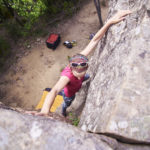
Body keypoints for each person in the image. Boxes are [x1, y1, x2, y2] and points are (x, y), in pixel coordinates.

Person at [26, 10, 131, 117]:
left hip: (76, 84)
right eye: (78, 74)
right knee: (68, 101)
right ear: (71, 69)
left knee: (85, 77)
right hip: (70, 93)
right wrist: (44, 110)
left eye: (82, 72)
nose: (80, 74)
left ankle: (83, 80)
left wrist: (109, 22)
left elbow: (95, 40)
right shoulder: (66, 77)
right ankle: (63, 109)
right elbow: (55, 90)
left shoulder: (80, 58)